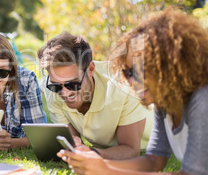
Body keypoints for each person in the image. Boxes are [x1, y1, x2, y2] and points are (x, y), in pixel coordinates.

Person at [58, 9, 208, 175]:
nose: (131, 81)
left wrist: (110, 174)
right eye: (127, 72)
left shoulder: (202, 99)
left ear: (171, 65)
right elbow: (154, 160)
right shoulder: (164, 103)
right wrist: (98, 163)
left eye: (138, 71)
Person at [38, 32, 153, 160]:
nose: (64, 93)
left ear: (91, 69)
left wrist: (91, 154)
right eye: (56, 86)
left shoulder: (123, 86)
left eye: (73, 84)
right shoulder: (51, 90)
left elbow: (130, 150)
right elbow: (72, 142)